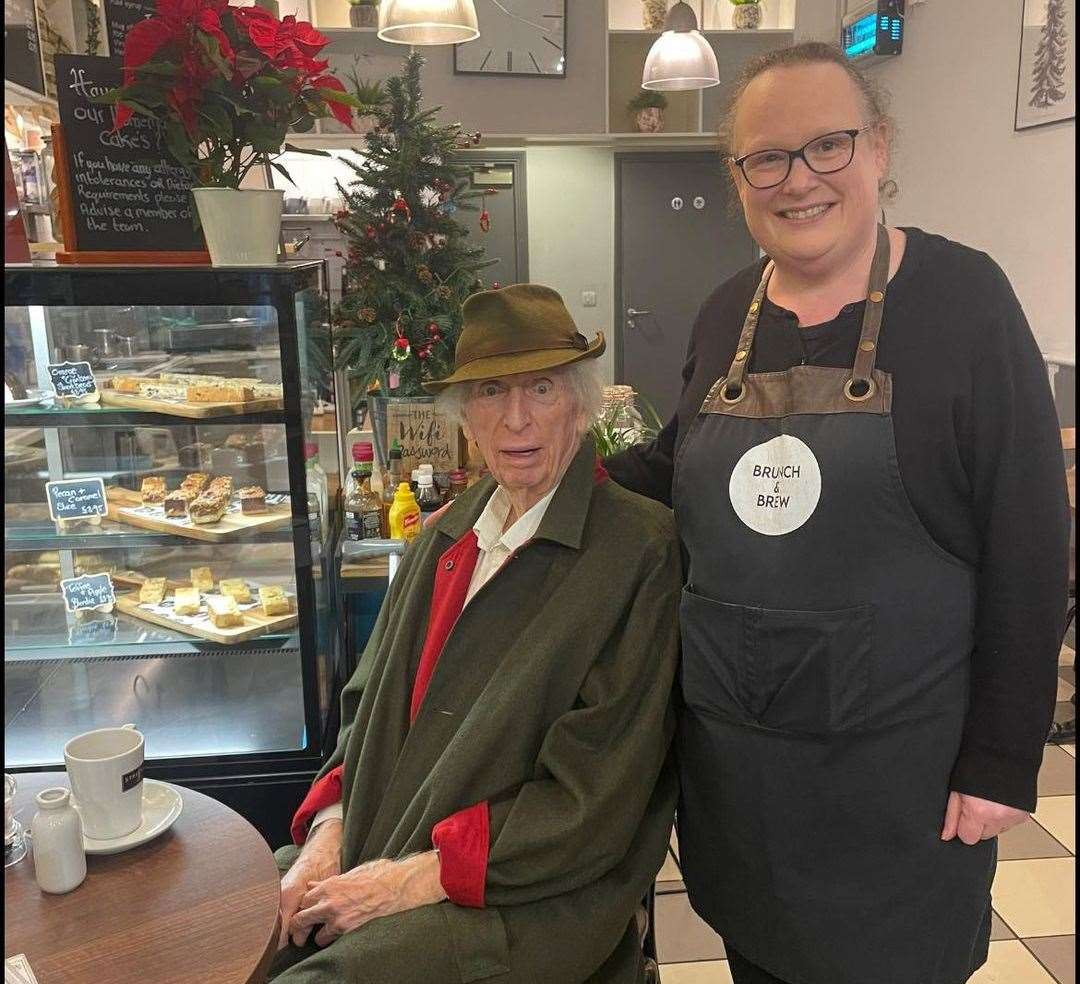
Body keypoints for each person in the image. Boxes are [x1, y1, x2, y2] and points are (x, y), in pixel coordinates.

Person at [606, 42, 1070, 984]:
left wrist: (1000, 761)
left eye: (829, 145)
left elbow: (1032, 541)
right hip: (740, 776)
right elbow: (674, 463)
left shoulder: (965, 299)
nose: (798, 180)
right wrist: (553, 483)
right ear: (739, 179)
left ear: (882, 148)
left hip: (898, 784)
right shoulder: (723, 310)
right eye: (767, 158)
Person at [271, 284, 681, 983]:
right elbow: (365, 709)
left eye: (542, 389)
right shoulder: (450, 535)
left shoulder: (638, 549)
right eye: (492, 391)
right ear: (467, 415)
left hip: (529, 895)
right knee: (237, 928)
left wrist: (402, 883)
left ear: (579, 405)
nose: (516, 418)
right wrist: (329, 831)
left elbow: (594, 798)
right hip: (386, 838)